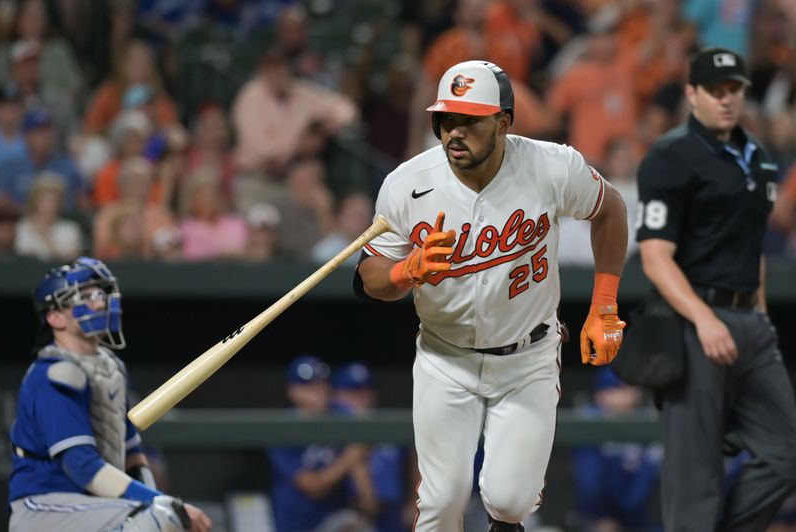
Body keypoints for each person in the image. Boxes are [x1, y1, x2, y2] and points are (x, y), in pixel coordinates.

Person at [354, 60, 629, 531]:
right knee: (441, 503)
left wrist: (604, 303)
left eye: (470, 120)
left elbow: (611, 210)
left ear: (503, 122)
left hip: (528, 356)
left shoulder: (551, 166)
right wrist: (405, 270)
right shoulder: (407, 183)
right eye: (445, 119)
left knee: (509, 501)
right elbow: (366, 279)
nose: (454, 132)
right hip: (446, 356)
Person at [635, 47, 796, 531]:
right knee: (695, 475)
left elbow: (752, 250)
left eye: (734, 90)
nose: (727, 99)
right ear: (692, 94)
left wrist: (762, 316)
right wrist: (703, 320)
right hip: (693, 319)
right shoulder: (670, 156)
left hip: (749, 319)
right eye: (715, 90)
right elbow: (655, 257)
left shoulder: (757, 158)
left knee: (785, 451)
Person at [7, 256, 212, 531]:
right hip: (44, 504)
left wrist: (160, 503)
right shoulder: (54, 374)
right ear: (55, 317)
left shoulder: (109, 368)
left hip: (92, 505)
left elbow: (131, 454)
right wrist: (163, 504)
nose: (99, 302)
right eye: (85, 296)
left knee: (168, 519)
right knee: (164, 517)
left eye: (100, 293)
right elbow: (82, 467)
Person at [266, 355, 377, 532]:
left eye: (320, 384)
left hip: (337, 519)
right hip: (297, 524)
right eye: (308, 386)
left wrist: (367, 500)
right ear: (293, 391)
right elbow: (314, 487)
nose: (318, 391)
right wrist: (348, 460)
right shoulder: (282, 429)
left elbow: (361, 447)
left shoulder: (339, 413)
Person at [569, 368, 662, 532]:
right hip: (594, 519)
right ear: (601, 395)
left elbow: (647, 486)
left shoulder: (646, 422)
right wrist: (600, 518)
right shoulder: (591, 420)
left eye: (629, 388)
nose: (628, 395)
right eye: (617, 389)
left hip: (639, 519)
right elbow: (589, 483)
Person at [332, 362, 412, 532]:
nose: (360, 398)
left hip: (393, 513)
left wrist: (414, 501)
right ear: (337, 395)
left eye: (365, 391)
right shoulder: (331, 428)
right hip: (353, 513)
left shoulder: (387, 426)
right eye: (352, 392)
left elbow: (415, 458)